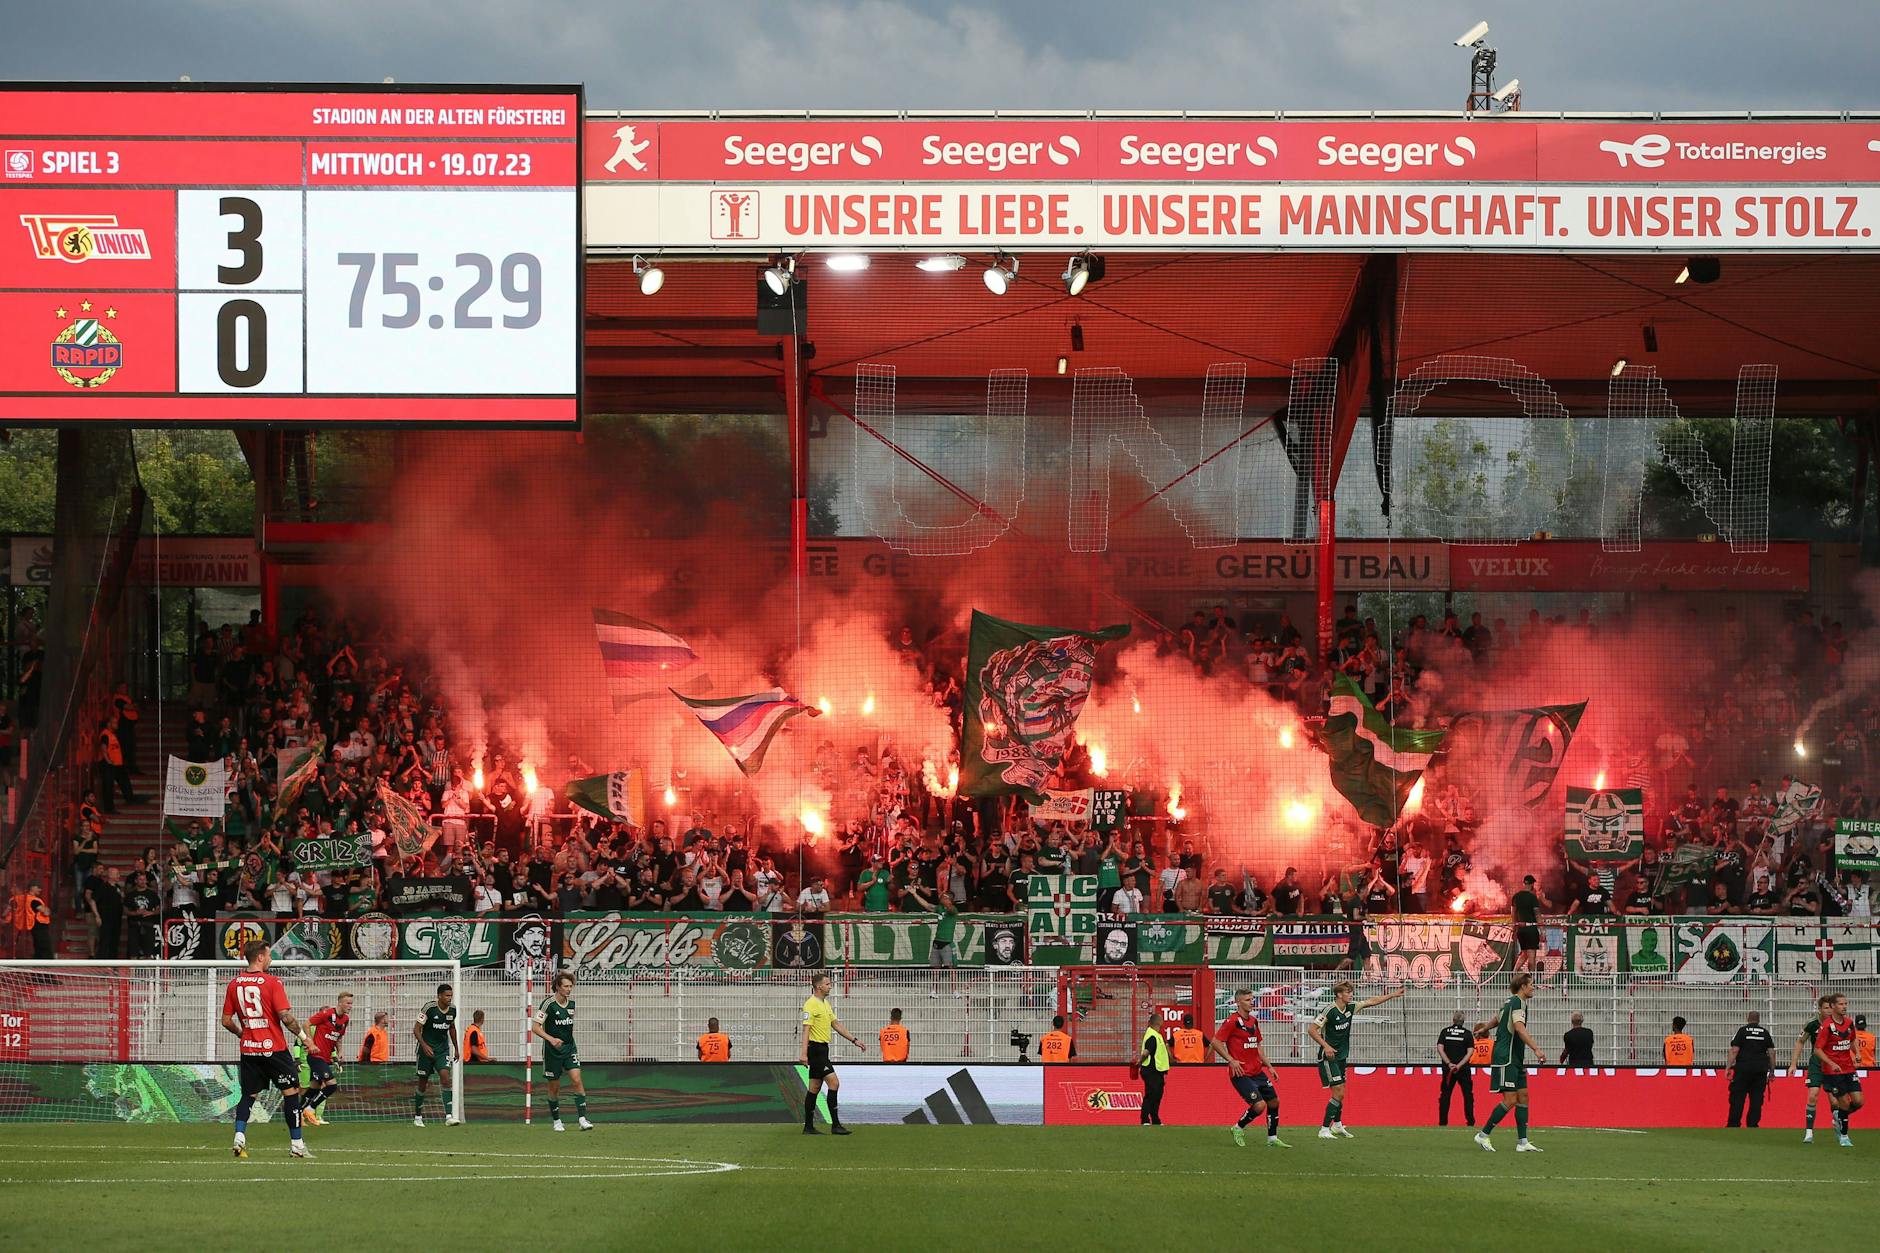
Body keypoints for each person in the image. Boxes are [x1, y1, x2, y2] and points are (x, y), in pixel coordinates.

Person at [220, 939, 312, 1160]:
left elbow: (225, 1021)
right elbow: (286, 1018)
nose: (271, 959)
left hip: (249, 1050)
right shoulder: (273, 982)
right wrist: (304, 1038)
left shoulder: (234, 984)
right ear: (260, 957)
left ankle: (239, 1137)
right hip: (274, 1050)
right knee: (291, 1093)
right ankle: (297, 1145)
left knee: (248, 1096)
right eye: (269, 955)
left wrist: (243, 1033)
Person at [1306, 979, 1406, 1139]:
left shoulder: (1350, 1008)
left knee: (1341, 1092)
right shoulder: (1329, 1010)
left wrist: (1393, 995)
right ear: (1339, 994)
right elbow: (1311, 1030)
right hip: (1328, 1057)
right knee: (1338, 1092)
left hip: (1341, 1056)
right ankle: (1324, 1129)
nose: (1351, 994)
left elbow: (1371, 1001)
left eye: (1351, 992)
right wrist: (1326, 1046)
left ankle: (1337, 1126)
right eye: (1347, 992)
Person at [1475, 971, 1544, 1153]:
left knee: (1523, 1096)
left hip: (1515, 1058)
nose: (1533, 987)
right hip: (1507, 1057)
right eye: (1531, 984)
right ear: (1523, 986)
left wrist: (1484, 1028)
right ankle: (1483, 1135)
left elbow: (1498, 1019)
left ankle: (1522, 1142)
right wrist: (1536, 1049)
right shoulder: (1519, 1003)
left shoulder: (1509, 1002)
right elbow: (1519, 1028)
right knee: (1511, 1099)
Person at [1212, 988, 1289, 1148]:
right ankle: (1238, 1127)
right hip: (1241, 1073)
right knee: (1259, 1105)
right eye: (1247, 1000)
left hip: (1257, 1071)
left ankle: (1272, 1138)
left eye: (1252, 999)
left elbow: (1258, 1046)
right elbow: (1215, 1042)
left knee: (1274, 1102)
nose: (1251, 1002)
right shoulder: (1232, 1021)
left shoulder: (1253, 1021)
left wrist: (1269, 1067)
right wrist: (1231, 1060)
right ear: (1238, 1002)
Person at [799, 971, 865, 1135]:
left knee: (814, 1087)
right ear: (819, 986)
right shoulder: (810, 1004)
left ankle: (808, 1127)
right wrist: (803, 1054)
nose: (830, 986)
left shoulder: (825, 1004)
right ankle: (835, 1125)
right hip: (815, 1050)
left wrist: (854, 1040)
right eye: (828, 984)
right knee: (834, 1083)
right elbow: (806, 1029)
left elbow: (836, 1024)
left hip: (823, 1050)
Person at [531, 970, 591, 1132]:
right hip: (552, 1051)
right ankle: (557, 1121)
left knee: (577, 1080)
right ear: (557, 987)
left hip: (569, 1047)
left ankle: (582, 1119)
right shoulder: (548, 1004)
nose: (569, 989)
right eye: (566, 986)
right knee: (554, 1087)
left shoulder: (572, 1004)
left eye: (571, 986)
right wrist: (551, 1039)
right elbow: (535, 1027)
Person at [1814, 992, 1864, 1147]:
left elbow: (1853, 1039)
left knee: (1858, 1101)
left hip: (1848, 1068)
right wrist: (1831, 1063)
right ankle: (1844, 1136)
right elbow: (1817, 1050)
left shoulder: (1849, 1023)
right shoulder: (1827, 1026)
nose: (1844, 1007)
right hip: (1833, 1071)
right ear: (1834, 1006)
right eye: (1841, 1004)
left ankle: (1839, 1117)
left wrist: (1857, 1053)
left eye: (1846, 1004)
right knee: (1843, 1102)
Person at [412, 983, 460, 1127]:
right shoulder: (429, 1008)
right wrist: (425, 1045)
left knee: (445, 1077)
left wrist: (456, 1048)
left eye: (451, 995)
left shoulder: (452, 1010)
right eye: (447, 995)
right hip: (425, 1050)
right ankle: (418, 1117)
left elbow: (452, 1028)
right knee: (422, 1083)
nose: (449, 998)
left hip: (442, 1050)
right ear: (439, 996)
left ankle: (449, 1116)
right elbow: (416, 1029)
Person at [1726, 1010, 1776, 1128]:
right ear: (1758, 1020)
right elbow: (1772, 1053)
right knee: (1757, 1099)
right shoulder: (1765, 1032)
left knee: (1737, 1097)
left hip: (1743, 1069)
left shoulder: (1742, 1031)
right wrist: (1772, 1070)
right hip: (1760, 1070)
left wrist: (1728, 1067)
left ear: (1747, 1018)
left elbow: (1734, 1050)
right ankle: (1753, 1124)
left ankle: (1733, 1124)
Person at [1791, 998, 1829, 1144]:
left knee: (1836, 1102)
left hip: (1833, 1063)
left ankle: (1841, 1131)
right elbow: (1800, 1041)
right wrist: (1794, 1064)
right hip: (1816, 1062)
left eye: (1831, 1007)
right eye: (1826, 1008)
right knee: (1813, 1095)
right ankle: (1809, 1133)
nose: (1829, 1010)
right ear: (1819, 1009)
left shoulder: (1838, 1024)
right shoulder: (1812, 1023)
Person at [1437, 1011, 1476, 1127]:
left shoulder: (1445, 1032)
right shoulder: (1467, 1034)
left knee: (1445, 1095)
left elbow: (1440, 1048)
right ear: (1463, 1021)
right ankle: (1470, 1121)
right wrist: (1459, 1065)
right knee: (1467, 1095)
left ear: (1453, 1020)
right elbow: (1470, 1052)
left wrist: (1449, 1063)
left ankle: (1442, 1122)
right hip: (1463, 1070)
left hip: (1448, 1070)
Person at [1511, 876, 1548, 971]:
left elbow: (1513, 913)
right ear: (1532, 884)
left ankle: (1512, 974)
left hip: (1521, 930)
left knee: (1524, 953)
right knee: (1532, 956)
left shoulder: (1515, 897)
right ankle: (1531, 981)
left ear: (1523, 883)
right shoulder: (1532, 897)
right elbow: (1538, 915)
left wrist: (1514, 928)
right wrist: (1542, 931)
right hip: (1531, 929)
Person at [1137, 1020, 1171, 1126]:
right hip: (1151, 1070)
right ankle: (1145, 1119)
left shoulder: (1156, 1035)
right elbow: (1146, 1052)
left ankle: (1155, 1119)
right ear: (1158, 1023)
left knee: (1157, 1095)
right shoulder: (1152, 1036)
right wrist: (1140, 1062)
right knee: (1151, 1094)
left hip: (1158, 1071)